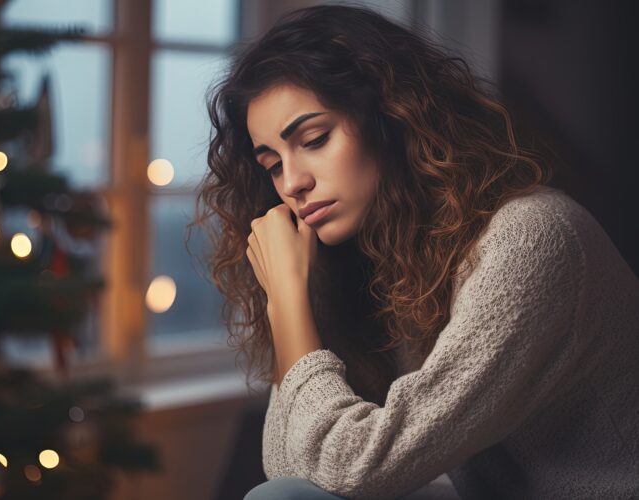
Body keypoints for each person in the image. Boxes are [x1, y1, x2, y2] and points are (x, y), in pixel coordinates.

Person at [190, 3, 639, 499]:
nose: (292, 183)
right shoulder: (381, 258)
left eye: (314, 139)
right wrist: (293, 297)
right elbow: (291, 464)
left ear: (391, 118)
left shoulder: (532, 237)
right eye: (273, 164)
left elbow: (357, 467)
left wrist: (287, 299)